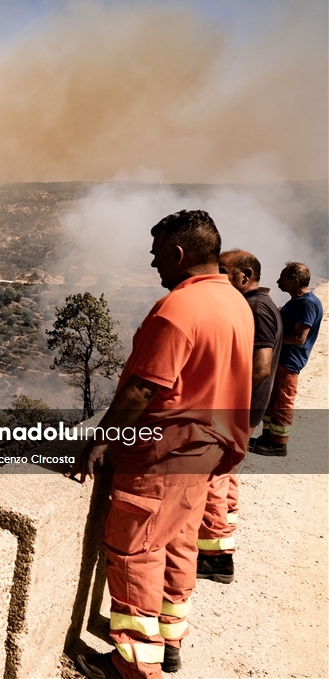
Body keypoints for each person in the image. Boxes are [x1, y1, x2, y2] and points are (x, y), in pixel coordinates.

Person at [69, 210, 253, 679]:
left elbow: (141, 389)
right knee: (178, 542)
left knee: (135, 550)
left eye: (157, 256)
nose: (153, 266)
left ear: (177, 253)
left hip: (161, 455)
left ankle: (133, 664)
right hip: (206, 450)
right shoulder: (235, 302)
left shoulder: (176, 310)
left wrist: (100, 440)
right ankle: (169, 641)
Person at [195, 250, 283, 584]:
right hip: (245, 412)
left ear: (244, 275)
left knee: (214, 479)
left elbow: (259, 367)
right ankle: (223, 533)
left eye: (222, 271)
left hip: (235, 411)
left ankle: (217, 559)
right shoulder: (262, 305)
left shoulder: (255, 308)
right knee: (227, 476)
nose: (216, 277)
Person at [252, 261, 323, 456]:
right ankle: (268, 438)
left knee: (282, 401)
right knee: (273, 399)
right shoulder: (298, 301)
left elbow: (300, 338)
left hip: (290, 361)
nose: (278, 281)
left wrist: (272, 340)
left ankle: (278, 444)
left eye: (282, 278)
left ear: (295, 281)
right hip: (282, 359)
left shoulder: (307, 303)